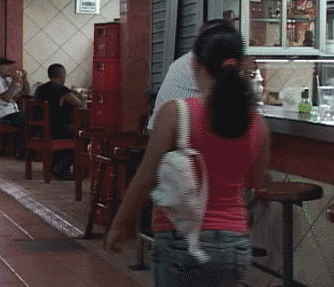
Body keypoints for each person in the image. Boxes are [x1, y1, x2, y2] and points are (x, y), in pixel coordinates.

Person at [105, 21, 270, 287]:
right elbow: (254, 181)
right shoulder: (258, 123)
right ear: (241, 65)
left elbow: (146, 177)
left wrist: (119, 224)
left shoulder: (176, 113)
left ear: (195, 64)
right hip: (235, 244)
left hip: (180, 239)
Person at [34, 63, 86, 180]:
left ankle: (55, 165)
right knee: (83, 136)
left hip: (40, 131)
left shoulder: (39, 89)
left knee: (70, 131)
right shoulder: (61, 89)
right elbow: (80, 105)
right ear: (62, 75)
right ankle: (61, 167)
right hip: (55, 130)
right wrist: (81, 96)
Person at [0, 57, 30, 159]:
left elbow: (25, 93)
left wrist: (24, 79)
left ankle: (21, 150)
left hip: (11, 114)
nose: (9, 68)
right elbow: (7, 98)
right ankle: (22, 152)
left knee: (32, 117)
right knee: (29, 118)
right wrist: (13, 82)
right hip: (2, 116)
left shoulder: (6, 80)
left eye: (10, 66)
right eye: (6, 66)